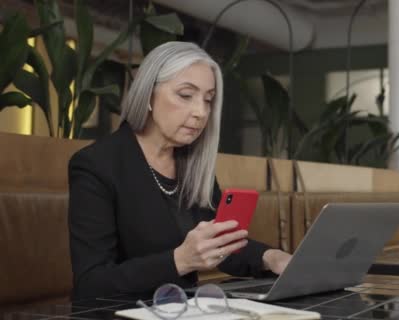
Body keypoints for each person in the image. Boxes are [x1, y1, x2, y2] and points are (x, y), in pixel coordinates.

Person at [68, 41, 291, 299]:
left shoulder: (191, 163)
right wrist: (180, 260)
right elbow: (91, 283)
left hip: (181, 309)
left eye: (208, 100)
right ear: (148, 94)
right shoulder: (96, 165)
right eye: (186, 95)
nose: (201, 112)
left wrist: (272, 257)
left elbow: (221, 248)